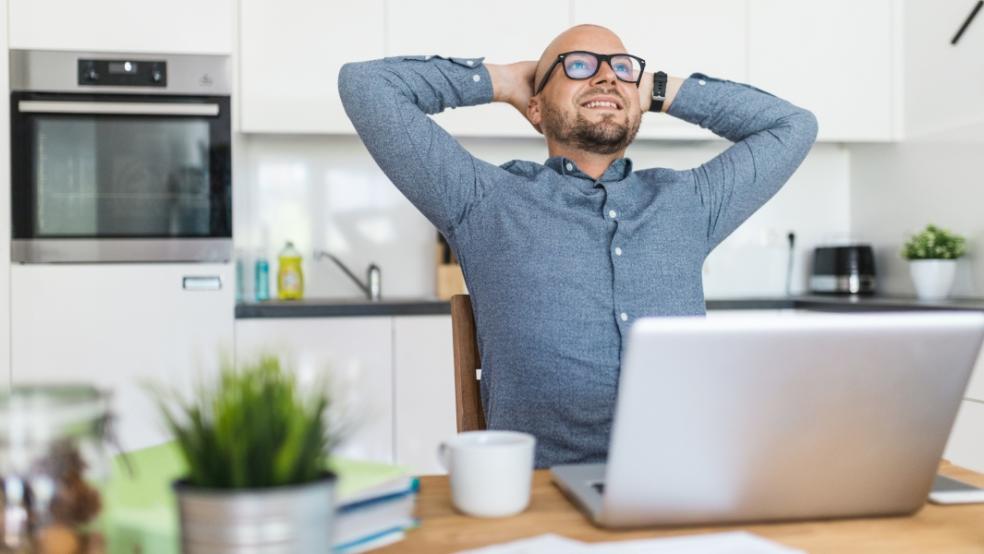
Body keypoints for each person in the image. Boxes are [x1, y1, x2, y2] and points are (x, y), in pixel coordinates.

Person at [339, 24, 817, 468]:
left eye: (623, 69)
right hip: (543, 487)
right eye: (579, 65)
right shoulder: (484, 200)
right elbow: (366, 87)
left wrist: (656, 88)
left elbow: (793, 126)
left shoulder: (689, 200)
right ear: (535, 107)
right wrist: (502, 81)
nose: (607, 76)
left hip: (684, 475)